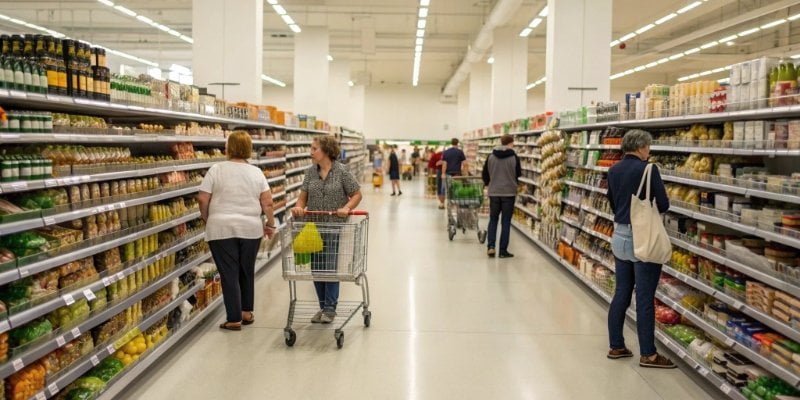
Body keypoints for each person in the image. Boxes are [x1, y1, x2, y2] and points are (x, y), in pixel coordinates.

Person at [606, 129, 675, 369]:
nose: (649, 151)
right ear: (641, 147)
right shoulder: (649, 169)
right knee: (645, 299)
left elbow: (612, 202)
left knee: (621, 293)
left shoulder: (613, 170)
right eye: (648, 147)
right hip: (643, 238)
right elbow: (664, 204)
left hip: (620, 237)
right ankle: (649, 354)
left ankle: (616, 345)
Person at [198, 131, 276, 331]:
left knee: (229, 273)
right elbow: (267, 202)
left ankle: (233, 318)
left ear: (228, 148)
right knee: (246, 270)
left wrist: (208, 219)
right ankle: (246, 312)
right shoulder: (256, 172)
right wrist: (270, 224)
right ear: (249, 149)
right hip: (250, 229)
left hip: (221, 228)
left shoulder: (216, 169)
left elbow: (202, 199)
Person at [291, 136, 363, 324]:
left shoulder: (342, 171)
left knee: (329, 267)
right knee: (316, 268)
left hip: (334, 226)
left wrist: (347, 208)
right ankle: (323, 306)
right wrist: (299, 207)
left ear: (326, 151)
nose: (311, 152)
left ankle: (330, 308)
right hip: (313, 226)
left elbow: (356, 194)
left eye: (314, 148)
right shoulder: (309, 173)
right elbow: (302, 198)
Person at [481, 134, 521, 258]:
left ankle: (491, 246)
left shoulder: (491, 156)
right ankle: (503, 251)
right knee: (505, 222)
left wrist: (489, 183)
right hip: (509, 193)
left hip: (494, 192)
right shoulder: (514, 157)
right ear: (510, 143)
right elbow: (518, 174)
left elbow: (485, 175)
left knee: (493, 219)